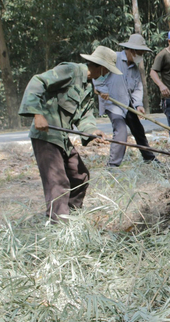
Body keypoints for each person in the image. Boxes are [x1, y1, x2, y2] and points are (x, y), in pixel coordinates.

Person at [18, 46, 121, 222]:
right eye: (108, 70)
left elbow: (84, 117)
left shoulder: (88, 88)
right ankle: (59, 224)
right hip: (46, 135)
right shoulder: (70, 70)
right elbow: (38, 81)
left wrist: (92, 132)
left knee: (79, 175)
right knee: (58, 181)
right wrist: (37, 113)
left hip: (61, 138)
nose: (107, 74)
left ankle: (72, 216)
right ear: (102, 67)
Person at [94, 34, 158, 167]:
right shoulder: (114, 58)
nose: (140, 56)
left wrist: (138, 105)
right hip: (113, 104)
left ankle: (149, 158)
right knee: (121, 130)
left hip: (127, 104)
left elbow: (137, 88)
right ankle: (113, 165)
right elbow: (97, 74)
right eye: (139, 53)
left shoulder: (134, 68)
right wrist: (102, 90)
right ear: (131, 50)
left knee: (138, 129)